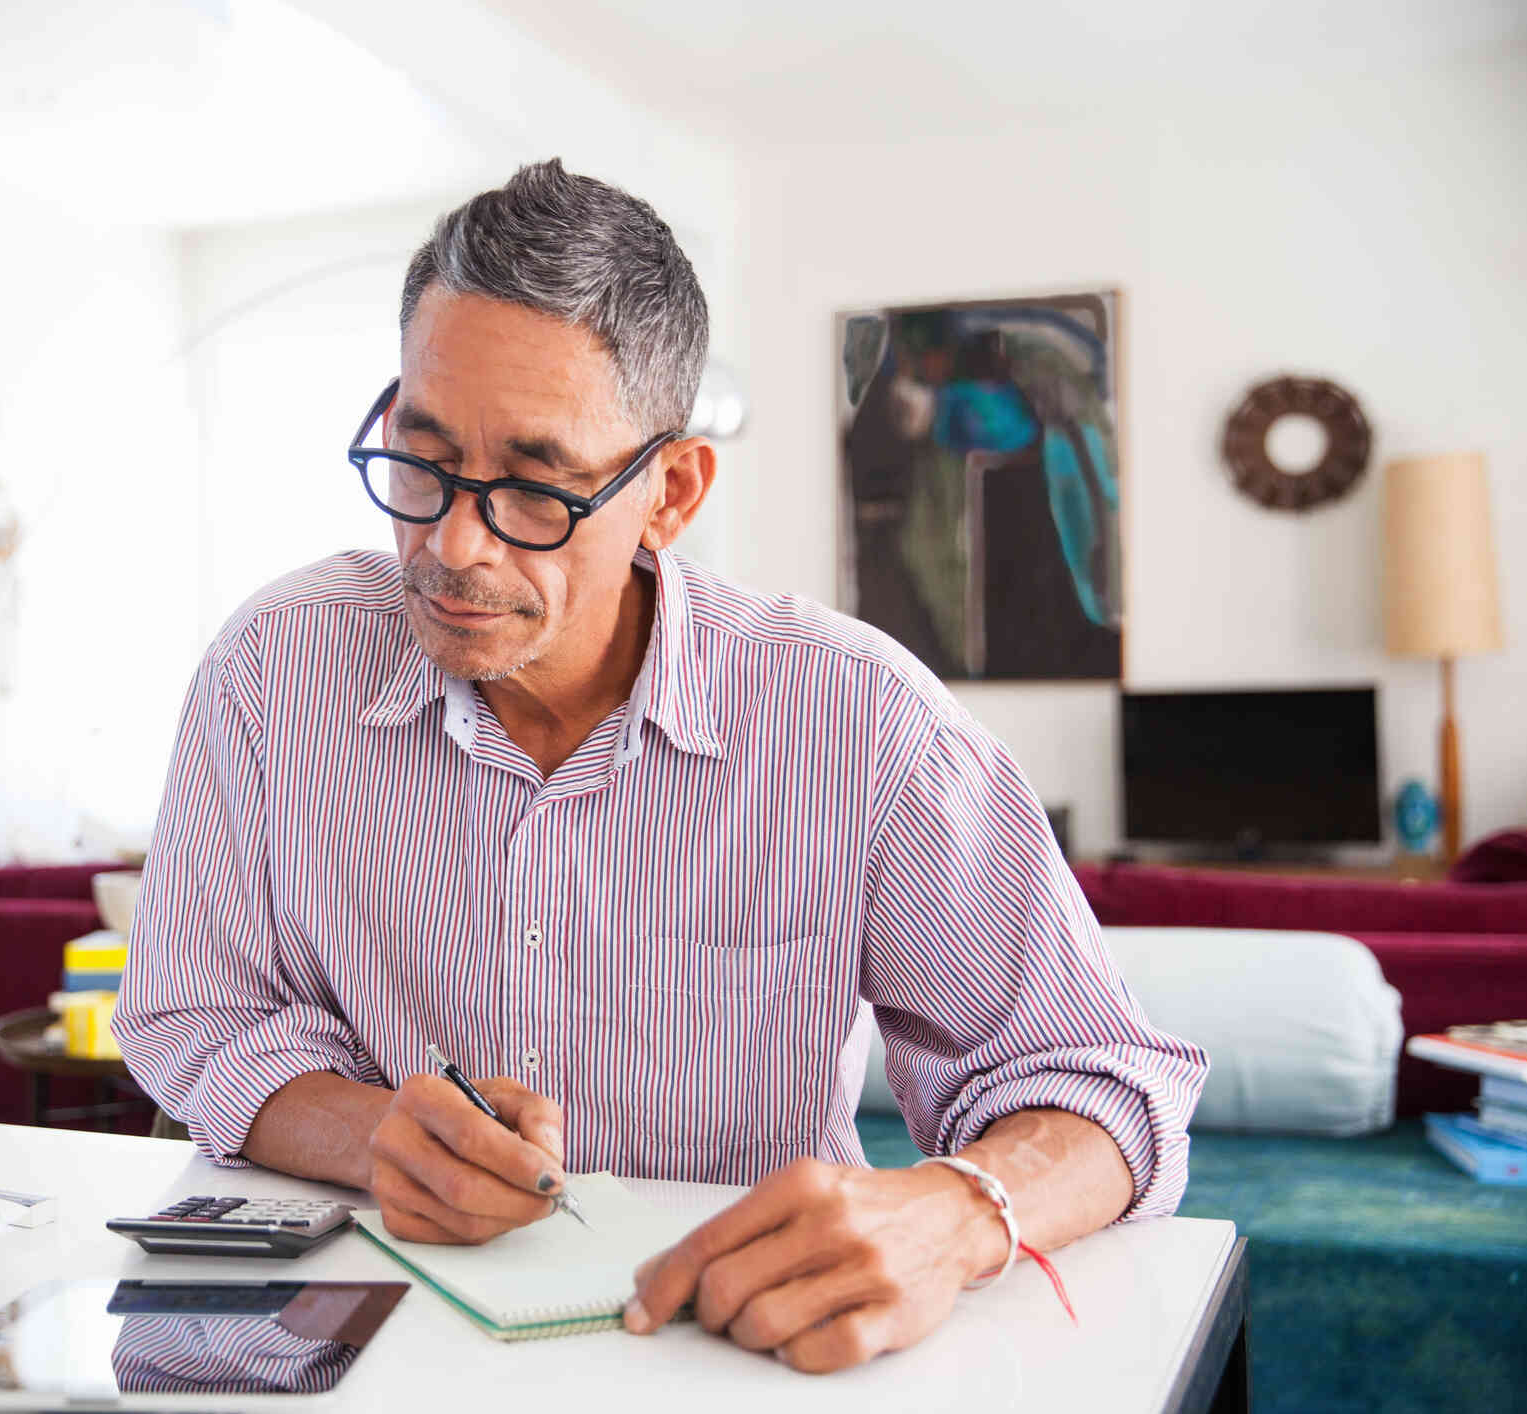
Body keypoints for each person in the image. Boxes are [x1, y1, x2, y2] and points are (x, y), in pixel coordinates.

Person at [112, 159, 1207, 1375]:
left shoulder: (860, 721)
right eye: (419, 458)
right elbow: (191, 1018)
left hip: (721, 1358)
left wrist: (950, 1212)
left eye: (532, 486)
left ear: (671, 492)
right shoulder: (271, 673)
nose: (450, 542)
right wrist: (371, 1133)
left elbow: (1105, 1081)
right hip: (363, 1349)